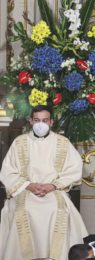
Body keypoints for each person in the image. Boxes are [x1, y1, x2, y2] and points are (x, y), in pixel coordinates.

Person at [0, 105, 88, 260]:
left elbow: (73, 170)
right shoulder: (19, 142)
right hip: (25, 190)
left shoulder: (63, 142)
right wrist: (28, 185)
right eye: (37, 120)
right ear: (30, 121)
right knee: (24, 210)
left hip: (54, 191)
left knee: (56, 209)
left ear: (51, 122)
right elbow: (8, 171)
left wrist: (52, 185)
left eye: (45, 120)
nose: (41, 124)